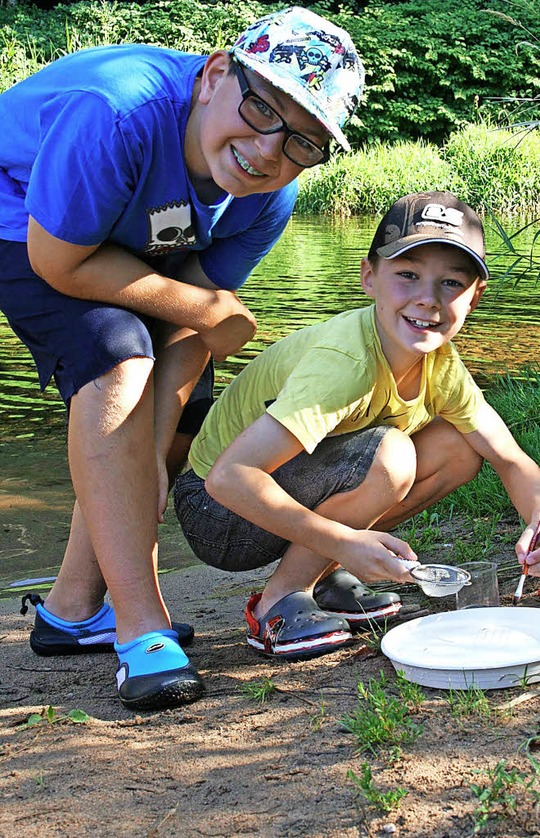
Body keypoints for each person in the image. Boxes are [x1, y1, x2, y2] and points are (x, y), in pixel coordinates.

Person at [0, 6, 364, 710]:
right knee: (117, 357)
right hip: (23, 216)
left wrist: (156, 446)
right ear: (216, 75)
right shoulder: (119, 112)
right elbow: (60, 260)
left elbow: (194, 330)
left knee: (171, 409)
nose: (267, 150)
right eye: (261, 108)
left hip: (118, 240)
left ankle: (72, 612)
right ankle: (142, 634)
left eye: (302, 142)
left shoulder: (266, 199)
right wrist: (208, 311)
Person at [173, 191, 540, 659]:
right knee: (392, 455)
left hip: (274, 492)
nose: (427, 299)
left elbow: (510, 458)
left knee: (459, 449)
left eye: (451, 283)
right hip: (217, 513)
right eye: (407, 275)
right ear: (369, 276)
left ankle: (321, 577)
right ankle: (277, 605)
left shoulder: (441, 364)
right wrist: (346, 541)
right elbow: (228, 477)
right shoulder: (344, 363)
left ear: (474, 297)